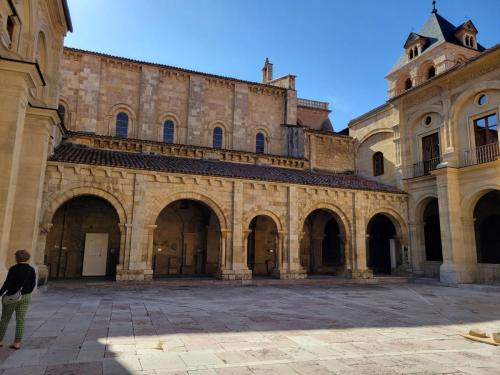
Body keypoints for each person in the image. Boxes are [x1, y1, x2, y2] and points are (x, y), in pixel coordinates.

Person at [0, 250, 36, 350]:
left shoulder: (13, 269)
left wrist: (1, 293)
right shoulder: (31, 269)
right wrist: (26, 292)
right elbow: (33, 284)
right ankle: (17, 343)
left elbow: (7, 283)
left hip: (12, 296)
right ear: (27, 258)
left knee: (4, 319)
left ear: (17, 258)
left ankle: (0, 340)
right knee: (21, 320)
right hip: (25, 296)